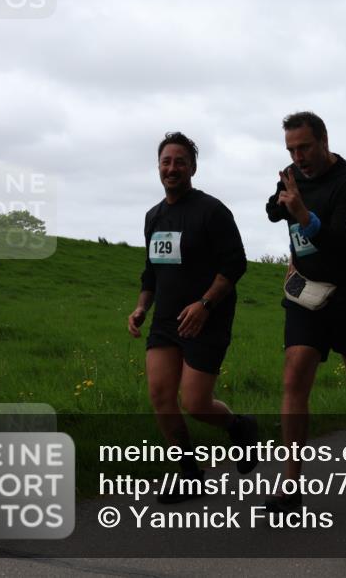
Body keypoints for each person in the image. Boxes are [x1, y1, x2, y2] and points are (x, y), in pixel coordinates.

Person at [127, 131, 258, 504]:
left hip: (207, 318)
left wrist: (205, 304)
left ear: (193, 167)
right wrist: (141, 308)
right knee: (160, 395)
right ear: (158, 167)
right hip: (166, 321)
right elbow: (151, 271)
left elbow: (235, 264)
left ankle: (239, 427)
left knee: (196, 403)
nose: (172, 168)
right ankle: (188, 474)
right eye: (166, 161)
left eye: (179, 161)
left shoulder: (212, 211)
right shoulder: (154, 216)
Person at [264, 111, 346, 512]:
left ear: (324, 140)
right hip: (304, 294)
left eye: (304, 147)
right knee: (295, 374)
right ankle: (290, 481)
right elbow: (274, 210)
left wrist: (305, 215)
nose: (298, 156)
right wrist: (282, 203)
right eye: (291, 149)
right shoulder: (291, 174)